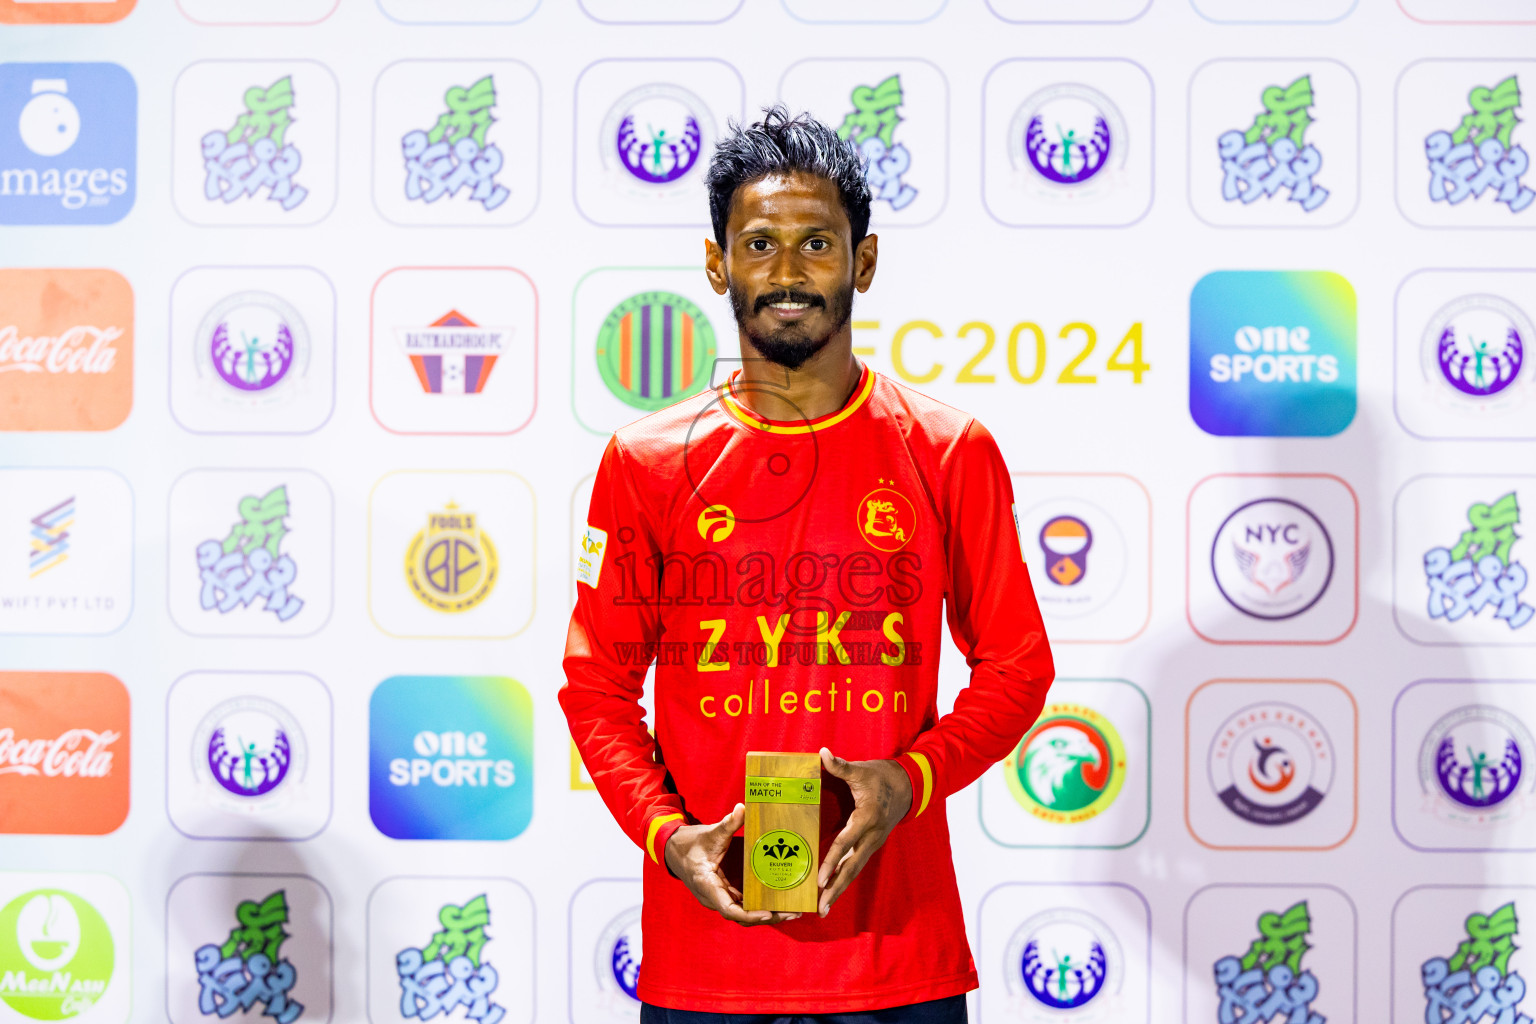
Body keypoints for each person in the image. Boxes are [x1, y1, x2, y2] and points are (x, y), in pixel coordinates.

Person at [561, 106, 1055, 1023]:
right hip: (707, 961)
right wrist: (670, 838)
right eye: (758, 243)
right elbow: (595, 688)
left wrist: (912, 778)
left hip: (897, 957)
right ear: (717, 263)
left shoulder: (948, 449)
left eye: (817, 243)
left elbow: (1019, 667)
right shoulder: (646, 461)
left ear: (863, 262)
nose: (787, 274)